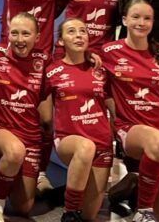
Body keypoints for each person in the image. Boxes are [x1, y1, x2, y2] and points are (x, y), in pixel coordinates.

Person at [101, 0, 159, 222]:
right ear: (124, 20)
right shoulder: (109, 52)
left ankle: (135, 182)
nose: (141, 22)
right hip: (131, 129)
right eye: (135, 17)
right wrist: (115, 115)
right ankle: (143, 210)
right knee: (158, 142)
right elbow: (100, 89)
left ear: (153, 23)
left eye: (147, 18)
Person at [0, 0, 60, 192]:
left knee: (45, 121)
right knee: (9, 117)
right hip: (12, 59)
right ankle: (3, 171)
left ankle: (41, 172)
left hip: (42, 59)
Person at [0, 13, 51, 222]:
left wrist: (89, 58)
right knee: (15, 151)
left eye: (26, 34)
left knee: (23, 207)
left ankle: (2, 178)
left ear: (37, 37)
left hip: (30, 136)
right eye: (14, 33)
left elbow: (69, 70)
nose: (19, 39)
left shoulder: (44, 60)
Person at [45, 18, 112, 222]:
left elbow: (113, 105)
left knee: (89, 215)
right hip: (69, 140)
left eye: (82, 31)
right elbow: (44, 116)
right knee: (85, 147)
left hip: (102, 144)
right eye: (71, 31)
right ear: (61, 41)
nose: (78, 35)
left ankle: (65, 194)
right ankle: (69, 212)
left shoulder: (100, 68)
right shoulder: (51, 72)